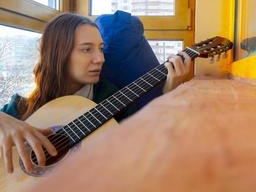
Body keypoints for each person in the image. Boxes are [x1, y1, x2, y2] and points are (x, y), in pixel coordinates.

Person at [0, 13, 193, 174]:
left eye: (101, 49)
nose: (100, 58)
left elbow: (150, 142)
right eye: (86, 49)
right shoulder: (22, 107)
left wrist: (169, 92)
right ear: (59, 54)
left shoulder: (112, 97)